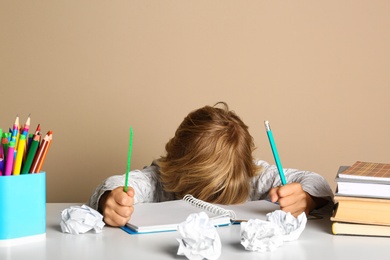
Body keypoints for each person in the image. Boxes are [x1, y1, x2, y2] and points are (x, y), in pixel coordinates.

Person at [88, 102, 334, 227]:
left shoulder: (255, 177)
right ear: (175, 165)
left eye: (220, 191)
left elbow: (317, 182)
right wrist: (109, 199)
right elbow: (115, 185)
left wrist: (306, 198)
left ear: (246, 168)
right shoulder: (160, 179)